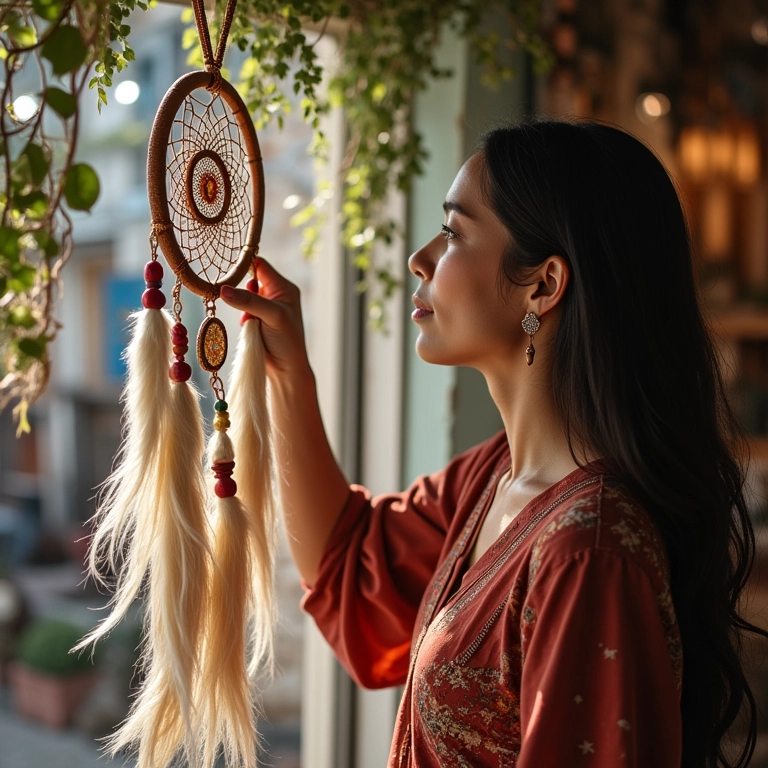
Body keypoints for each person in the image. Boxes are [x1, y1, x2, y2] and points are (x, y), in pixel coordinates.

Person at [220, 119, 766, 767]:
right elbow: (354, 571)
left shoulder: (587, 552)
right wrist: (291, 379)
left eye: (454, 232)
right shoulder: (497, 476)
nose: (419, 258)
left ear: (543, 284)